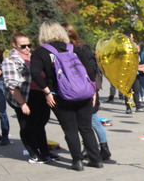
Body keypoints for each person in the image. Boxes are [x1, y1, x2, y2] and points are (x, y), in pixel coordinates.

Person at [31, 20, 102, 171]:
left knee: (69, 129)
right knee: (86, 127)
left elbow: (35, 73)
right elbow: (90, 70)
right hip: (83, 94)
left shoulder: (40, 52)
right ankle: (96, 159)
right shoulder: (73, 48)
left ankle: (77, 161)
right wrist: (93, 90)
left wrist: (47, 91)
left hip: (59, 95)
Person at [64, 23, 114, 163]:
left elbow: (92, 69)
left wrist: (89, 87)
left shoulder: (82, 48)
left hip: (88, 89)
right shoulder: (68, 49)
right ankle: (88, 147)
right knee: (84, 122)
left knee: (92, 120)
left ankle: (104, 148)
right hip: (78, 90)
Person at [1, 32, 53, 164]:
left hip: (40, 94)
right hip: (24, 95)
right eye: (23, 46)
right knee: (28, 126)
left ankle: (44, 151)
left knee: (40, 124)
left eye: (29, 45)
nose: (27, 48)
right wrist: (23, 103)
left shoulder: (33, 57)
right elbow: (11, 85)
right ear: (14, 45)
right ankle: (33, 153)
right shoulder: (10, 61)